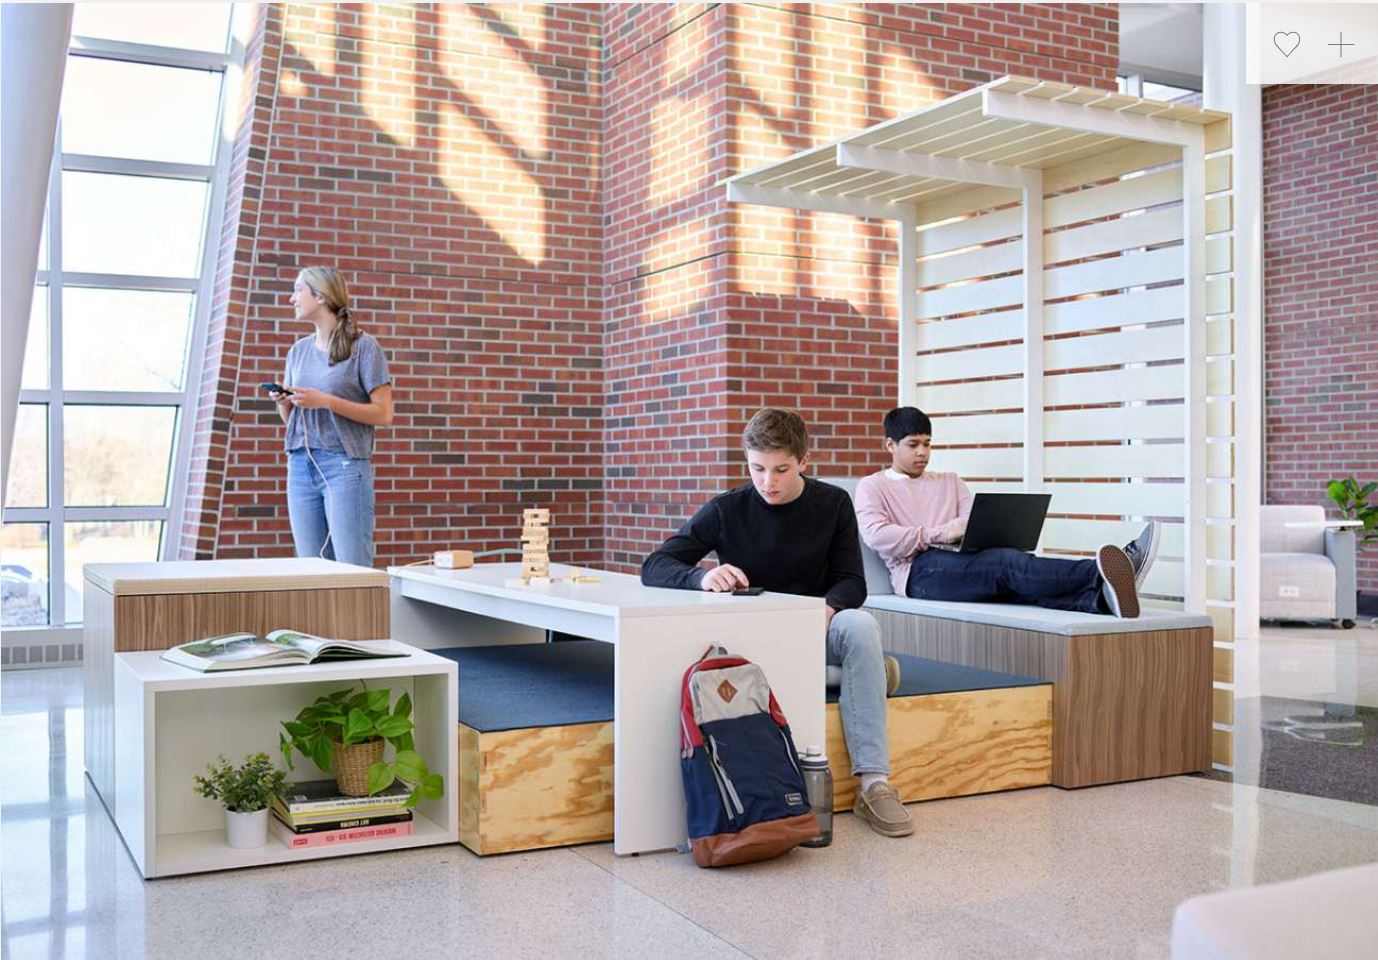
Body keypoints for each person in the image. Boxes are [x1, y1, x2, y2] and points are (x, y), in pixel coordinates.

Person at [641, 408, 914, 838]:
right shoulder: (727, 509)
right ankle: (869, 673)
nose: (768, 482)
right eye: (758, 469)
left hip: (818, 629)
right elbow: (656, 565)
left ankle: (874, 784)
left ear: (804, 461)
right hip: (757, 644)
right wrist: (701, 576)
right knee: (838, 661)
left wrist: (827, 609)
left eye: (782, 469)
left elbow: (852, 581)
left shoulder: (834, 503)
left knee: (861, 626)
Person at [855, 407, 1159, 617]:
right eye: (913, 445)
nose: (923, 452)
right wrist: (940, 533)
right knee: (1005, 565)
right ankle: (1106, 571)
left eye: (927, 444)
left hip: (960, 558)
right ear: (890, 445)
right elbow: (879, 536)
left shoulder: (950, 481)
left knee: (1015, 577)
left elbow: (972, 520)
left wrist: (956, 532)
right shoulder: (873, 486)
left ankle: (1100, 600)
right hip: (917, 572)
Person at [272, 266, 393, 567]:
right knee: (311, 571)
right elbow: (294, 425)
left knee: (352, 568)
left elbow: (384, 413)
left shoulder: (363, 348)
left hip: (344, 467)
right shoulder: (298, 352)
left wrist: (325, 401)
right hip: (300, 466)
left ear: (321, 296)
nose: (292, 299)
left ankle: (361, 618)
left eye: (298, 290)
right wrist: (285, 402)